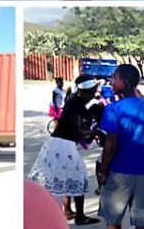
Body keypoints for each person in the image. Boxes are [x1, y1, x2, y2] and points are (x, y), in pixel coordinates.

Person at [98, 65, 144, 229]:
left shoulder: (113, 109)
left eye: (115, 78)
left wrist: (103, 172)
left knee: (113, 222)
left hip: (117, 174)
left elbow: (110, 145)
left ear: (125, 81)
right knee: (142, 223)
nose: (112, 82)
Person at [27, 74, 101, 225]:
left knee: (67, 177)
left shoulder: (74, 100)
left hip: (58, 144)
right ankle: (80, 216)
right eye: (92, 92)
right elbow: (77, 131)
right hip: (64, 145)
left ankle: (67, 211)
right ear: (85, 92)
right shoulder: (76, 103)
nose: (93, 95)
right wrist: (95, 132)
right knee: (78, 177)